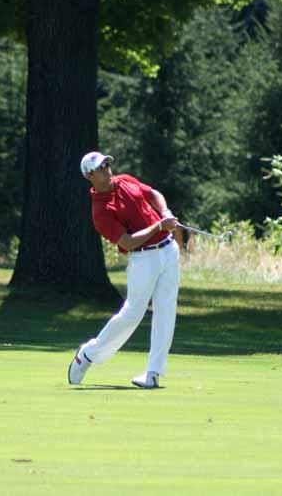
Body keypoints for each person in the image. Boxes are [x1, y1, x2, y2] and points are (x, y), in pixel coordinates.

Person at [68, 151, 180, 388]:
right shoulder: (101, 211)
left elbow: (152, 193)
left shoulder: (125, 180)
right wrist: (159, 225)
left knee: (166, 312)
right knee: (133, 313)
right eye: (101, 168)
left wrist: (166, 212)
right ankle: (89, 353)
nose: (107, 169)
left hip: (169, 250)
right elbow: (127, 242)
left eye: (107, 164)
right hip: (143, 259)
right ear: (90, 175)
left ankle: (153, 373)